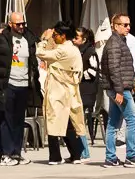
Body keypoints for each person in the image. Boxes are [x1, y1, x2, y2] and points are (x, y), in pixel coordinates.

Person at [100, 13, 135, 168]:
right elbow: (114, 69)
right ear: (115, 26)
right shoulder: (114, 43)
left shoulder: (121, 41)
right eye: (125, 25)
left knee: (113, 123)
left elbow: (125, 65)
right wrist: (119, 91)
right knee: (133, 119)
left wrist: (134, 79)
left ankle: (111, 157)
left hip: (120, 87)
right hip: (119, 89)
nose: (128, 27)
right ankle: (131, 156)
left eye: (129, 24)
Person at [0, 11, 36, 165]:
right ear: (11, 24)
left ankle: (16, 153)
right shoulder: (1, 39)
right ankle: (5, 154)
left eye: (23, 23)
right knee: (6, 120)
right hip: (8, 85)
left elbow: (38, 54)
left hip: (23, 85)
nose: (21, 26)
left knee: (18, 121)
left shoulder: (28, 38)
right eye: (18, 24)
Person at [36, 25, 89, 165]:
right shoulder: (74, 49)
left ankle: (55, 156)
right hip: (70, 90)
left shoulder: (62, 50)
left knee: (53, 121)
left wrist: (44, 40)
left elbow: (41, 53)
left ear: (63, 36)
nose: (53, 38)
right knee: (69, 123)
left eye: (55, 35)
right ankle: (76, 154)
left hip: (58, 90)